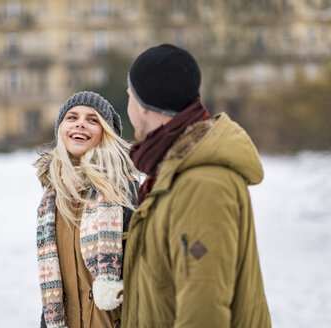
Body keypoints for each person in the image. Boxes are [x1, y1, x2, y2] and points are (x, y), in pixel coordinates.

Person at [121, 44, 271, 327]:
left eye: (129, 96)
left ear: (143, 105)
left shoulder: (203, 183)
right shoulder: (172, 169)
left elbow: (204, 310)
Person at [35, 91, 139, 328]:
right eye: (72, 117)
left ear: (106, 133)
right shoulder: (51, 201)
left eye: (93, 120)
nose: (80, 123)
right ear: (61, 130)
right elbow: (54, 288)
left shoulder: (126, 192)